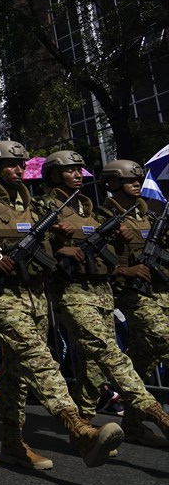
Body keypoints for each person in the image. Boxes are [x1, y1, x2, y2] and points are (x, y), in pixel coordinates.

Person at [0, 140, 123, 469]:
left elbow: (52, 250)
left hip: (36, 296)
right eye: (11, 164)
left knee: (16, 374)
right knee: (41, 361)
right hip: (3, 297)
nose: (19, 169)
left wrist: (61, 241)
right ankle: (79, 430)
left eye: (21, 164)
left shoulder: (36, 208)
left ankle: (12, 441)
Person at [86, 159, 169, 446]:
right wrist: (123, 268)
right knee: (163, 338)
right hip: (128, 291)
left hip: (157, 289)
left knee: (145, 357)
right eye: (128, 180)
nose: (136, 183)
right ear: (112, 183)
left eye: (137, 179)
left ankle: (133, 422)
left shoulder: (149, 215)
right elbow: (92, 259)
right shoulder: (101, 217)